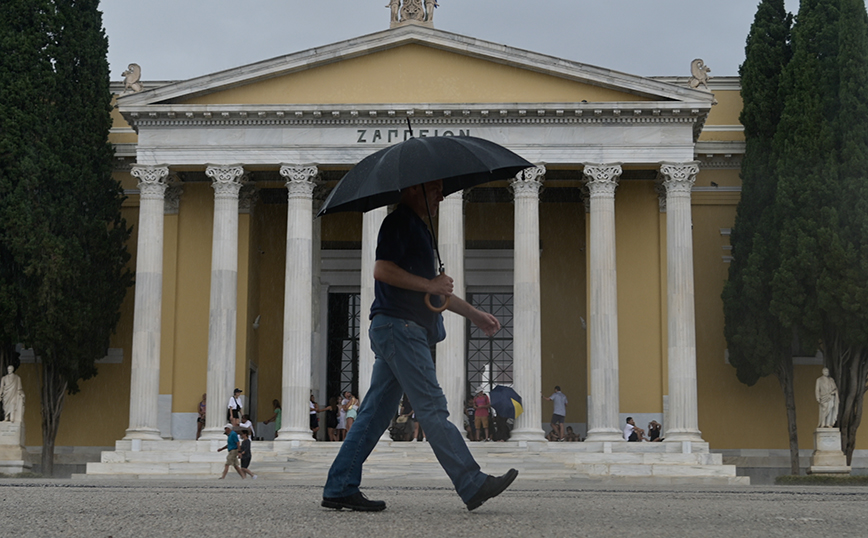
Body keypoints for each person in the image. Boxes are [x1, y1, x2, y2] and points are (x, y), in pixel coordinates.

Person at [321, 179, 518, 512]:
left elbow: (434, 294)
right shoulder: (399, 222)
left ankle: (339, 486)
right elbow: (382, 270)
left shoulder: (419, 230)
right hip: (401, 328)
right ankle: (471, 482)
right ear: (413, 189)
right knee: (432, 406)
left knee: (373, 415)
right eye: (434, 189)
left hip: (397, 328)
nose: (441, 194)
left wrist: (475, 315)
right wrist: (429, 282)